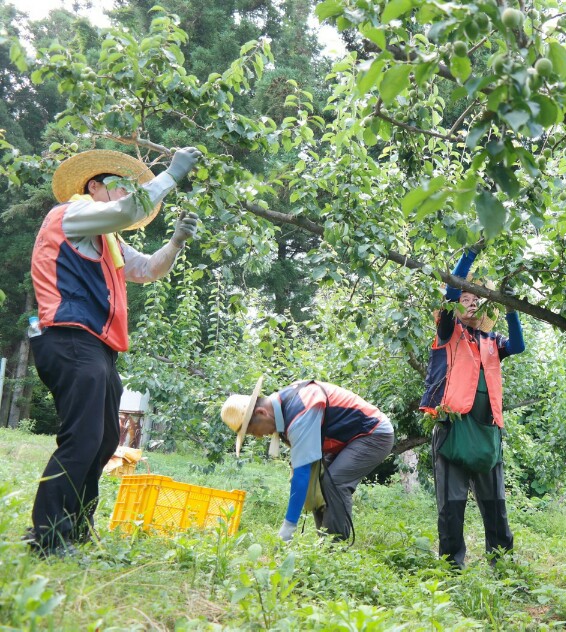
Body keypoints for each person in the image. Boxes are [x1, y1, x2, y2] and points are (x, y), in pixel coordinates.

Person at [28, 146, 202, 556]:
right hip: (70, 338)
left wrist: (175, 243)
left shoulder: (108, 241)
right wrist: (172, 174)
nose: (128, 194)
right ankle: (48, 537)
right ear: (94, 186)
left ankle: (77, 529)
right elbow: (128, 212)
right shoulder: (71, 214)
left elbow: (149, 270)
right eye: (121, 186)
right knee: (83, 438)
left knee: (104, 440)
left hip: (98, 349)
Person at [420, 244, 526, 569]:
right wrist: (471, 252)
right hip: (455, 428)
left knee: (495, 505)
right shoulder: (449, 332)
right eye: (466, 300)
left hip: (487, 431)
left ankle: (502, 565)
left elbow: (519, 345)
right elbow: (451, 292)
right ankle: (452, 569)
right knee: (451, 506)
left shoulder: (492, 342)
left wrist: (509, 307)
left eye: (475, 300)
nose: (470, 303)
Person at [221, 376, 395, 542]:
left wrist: (289, 526)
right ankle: (324, 545)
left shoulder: (300, 411)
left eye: (252, 431)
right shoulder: (283, 406)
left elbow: (302, 473)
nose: (258, 436)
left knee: (334, 481)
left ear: (261, 412)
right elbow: (308, 475)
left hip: (373, 434)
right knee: (318, 483)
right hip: (343, 439)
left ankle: (335, 548)